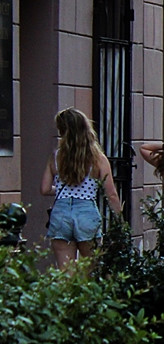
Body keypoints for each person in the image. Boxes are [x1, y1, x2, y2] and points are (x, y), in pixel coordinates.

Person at [41, 107, 122, 268]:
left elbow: (44, 189)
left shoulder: (56, 156)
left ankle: (69, 294)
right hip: (87, 213)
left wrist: (63, 191)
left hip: (61, 213)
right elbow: (111, 194)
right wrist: (120, 221)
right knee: (91, 269)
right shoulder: (98, 158)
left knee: (66, 273)